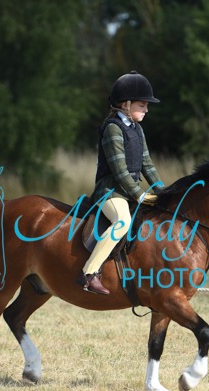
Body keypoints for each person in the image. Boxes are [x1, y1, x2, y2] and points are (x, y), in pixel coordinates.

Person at [78, 71, 164, 294]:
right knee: (122, 222)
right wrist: (140, 195)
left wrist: (164, 192)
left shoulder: (137, 129)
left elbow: (147, 165)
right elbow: (120, 172)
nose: (146, 110)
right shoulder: (112, 128)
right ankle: (89, 273)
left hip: (128, 191)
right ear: (126, 104)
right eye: (142, 105)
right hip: (110, 192)